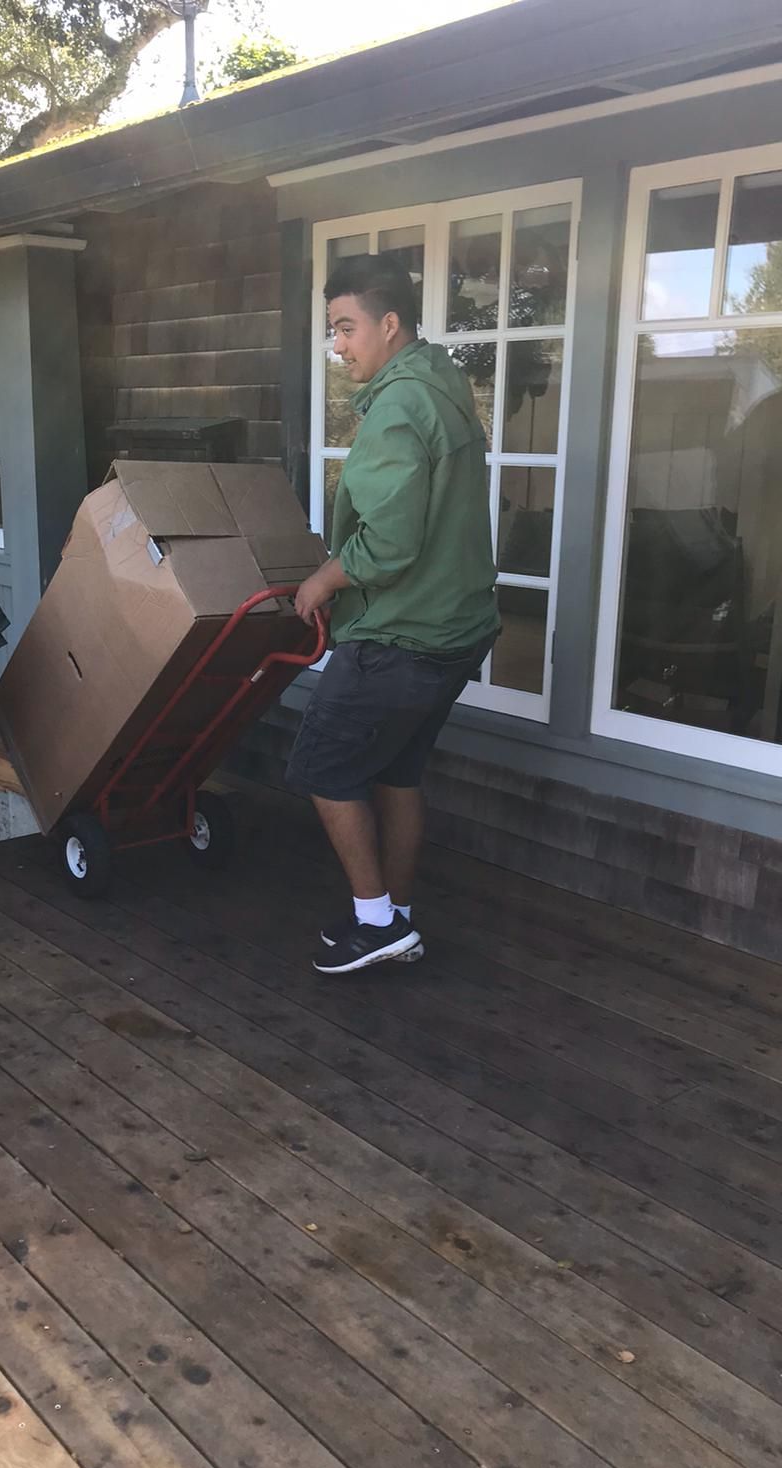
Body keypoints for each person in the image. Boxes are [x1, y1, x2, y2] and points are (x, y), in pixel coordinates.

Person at [288, 252, 499, 974]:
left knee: (321, 764)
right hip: (457, 632)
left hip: (403, 636)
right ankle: (397, 915)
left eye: (345, 328)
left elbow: (389, 543)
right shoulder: (443, 385)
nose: (338, 345)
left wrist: (322, 580)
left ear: (389, 323)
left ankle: (375, 923)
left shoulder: (399, 407)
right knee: (397, 772)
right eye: (332, 331)